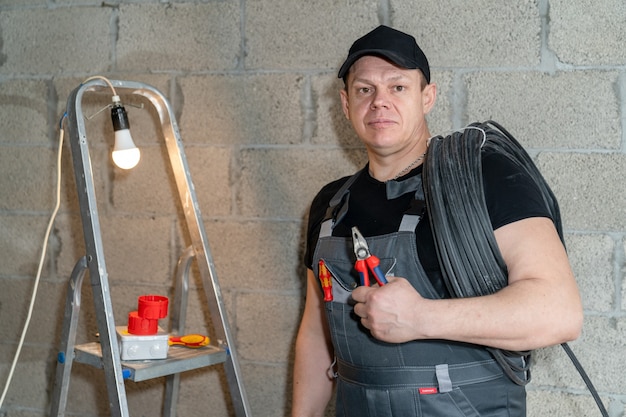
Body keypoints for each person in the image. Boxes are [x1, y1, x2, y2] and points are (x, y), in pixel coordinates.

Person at [291, 25, 583, 417]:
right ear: (346, 104)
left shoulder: (483, 176)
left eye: (398, 87)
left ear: (427, 97)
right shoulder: (330, 206)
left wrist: (419, 317)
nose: (379, 102)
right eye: (365, 89)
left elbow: (559, 312)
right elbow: (316, 333)